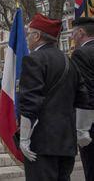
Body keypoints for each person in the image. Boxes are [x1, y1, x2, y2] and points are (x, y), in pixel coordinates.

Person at [19, 13, 84, 181]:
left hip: (41, 141)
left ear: (37, 36)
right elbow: (82, 99)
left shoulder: (34, 59)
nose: (27, 38)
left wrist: (24, 138)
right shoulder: (70, 62)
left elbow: (30, 101)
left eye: (29, 34)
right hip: (66, 142)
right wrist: (82, 131)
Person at [70, 17, 94, 181]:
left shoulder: (81, 54)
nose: (71, 37)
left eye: (73, 33)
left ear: (81, 32)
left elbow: (85, 92)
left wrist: (82, 128)